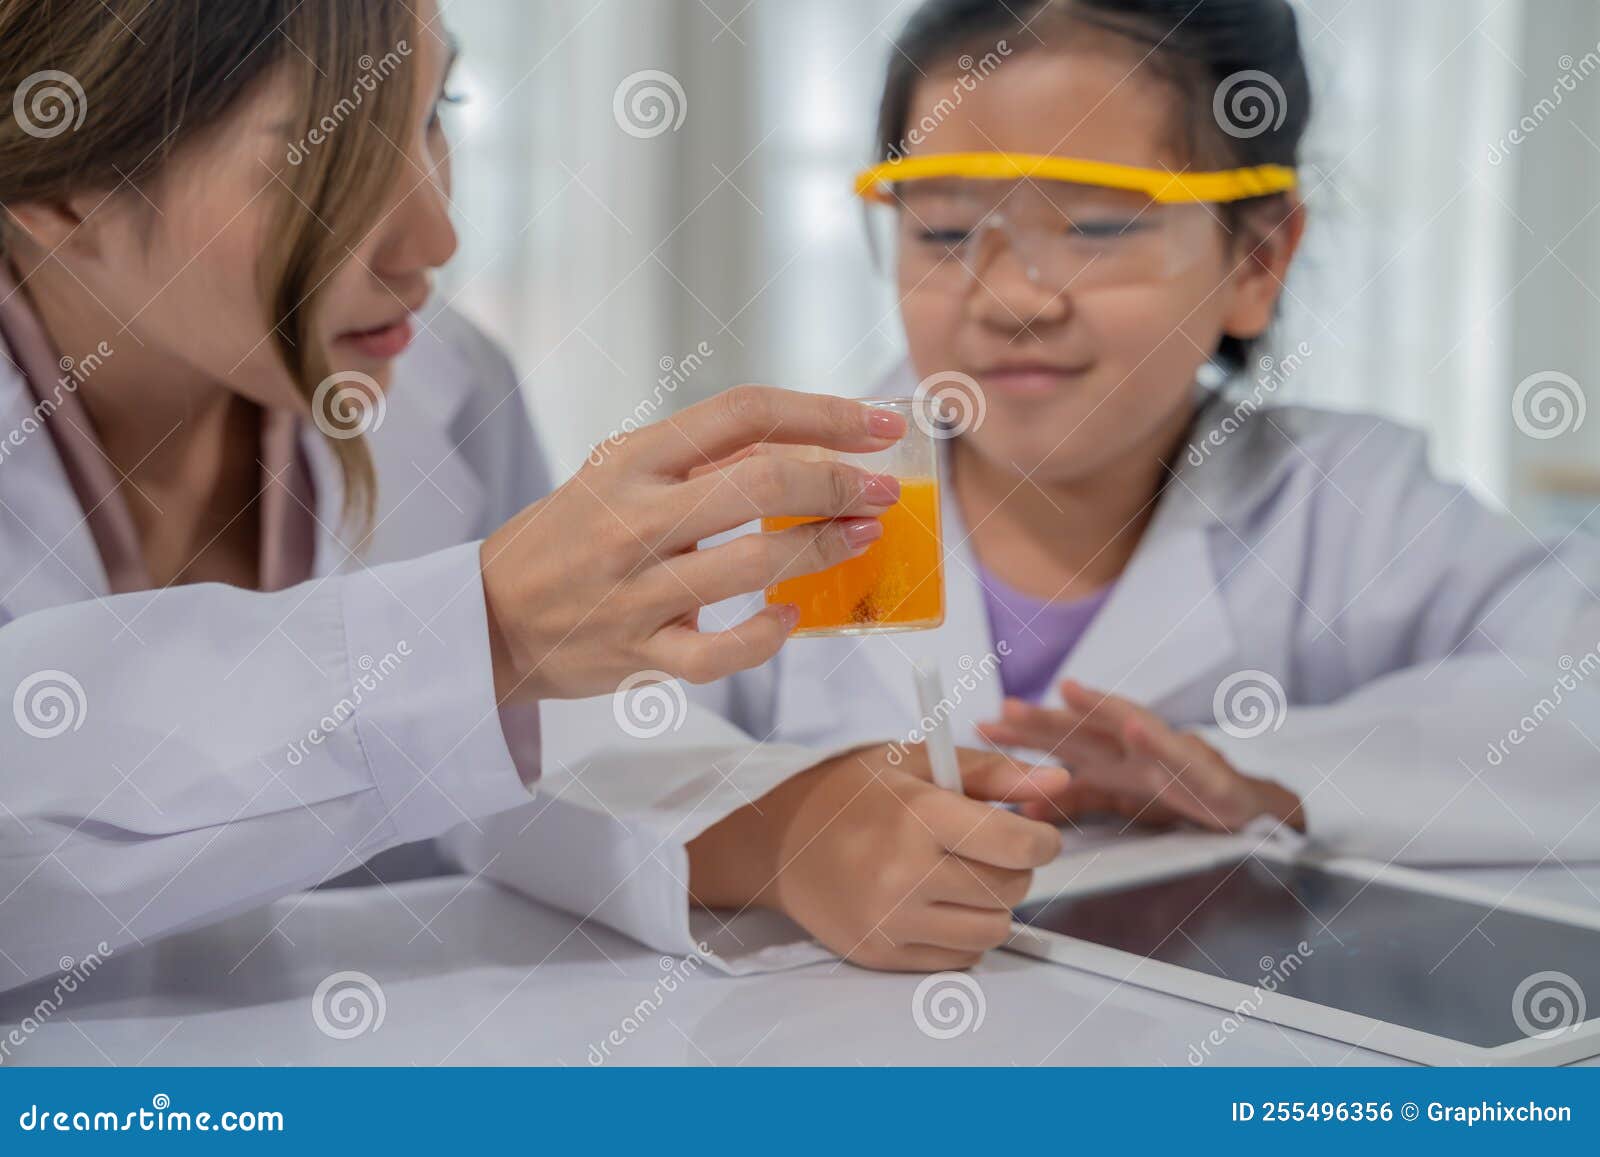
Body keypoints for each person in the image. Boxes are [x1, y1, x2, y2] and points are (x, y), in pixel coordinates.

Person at [453, 0, 1600, 975]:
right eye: (946, 232)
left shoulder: (1352, 503)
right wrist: (783, 835)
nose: (1013, 296)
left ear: (1257, 261)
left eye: (1095, 228)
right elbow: (521, 759)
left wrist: (1277, 781)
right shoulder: (792, 492)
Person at [0, 0, 1013, 990]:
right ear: (60, 192)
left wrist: (788, 826)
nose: (434, 236)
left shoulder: (445, 380)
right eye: (327, 155)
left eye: (435, 115)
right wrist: (485, 632)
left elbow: (529, 747)